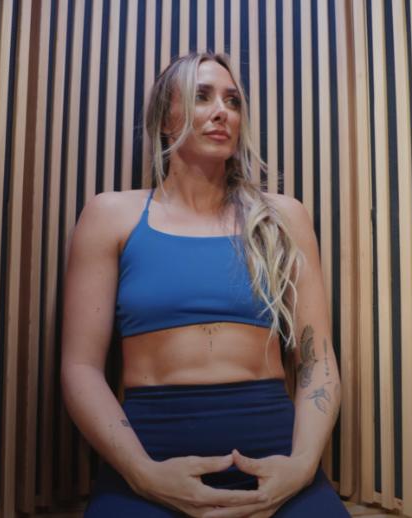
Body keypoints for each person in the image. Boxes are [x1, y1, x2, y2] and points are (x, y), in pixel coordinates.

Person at [61, 52, 350, 518]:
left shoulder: (282, 218)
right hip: (150, 459)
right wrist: (142, 473)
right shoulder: (110, 215)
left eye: (233, 101)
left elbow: (318, 362)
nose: (222, 112)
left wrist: (300, 467)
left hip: (275, 457)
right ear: (166, 119)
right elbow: (81, 368)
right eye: (202, 97)